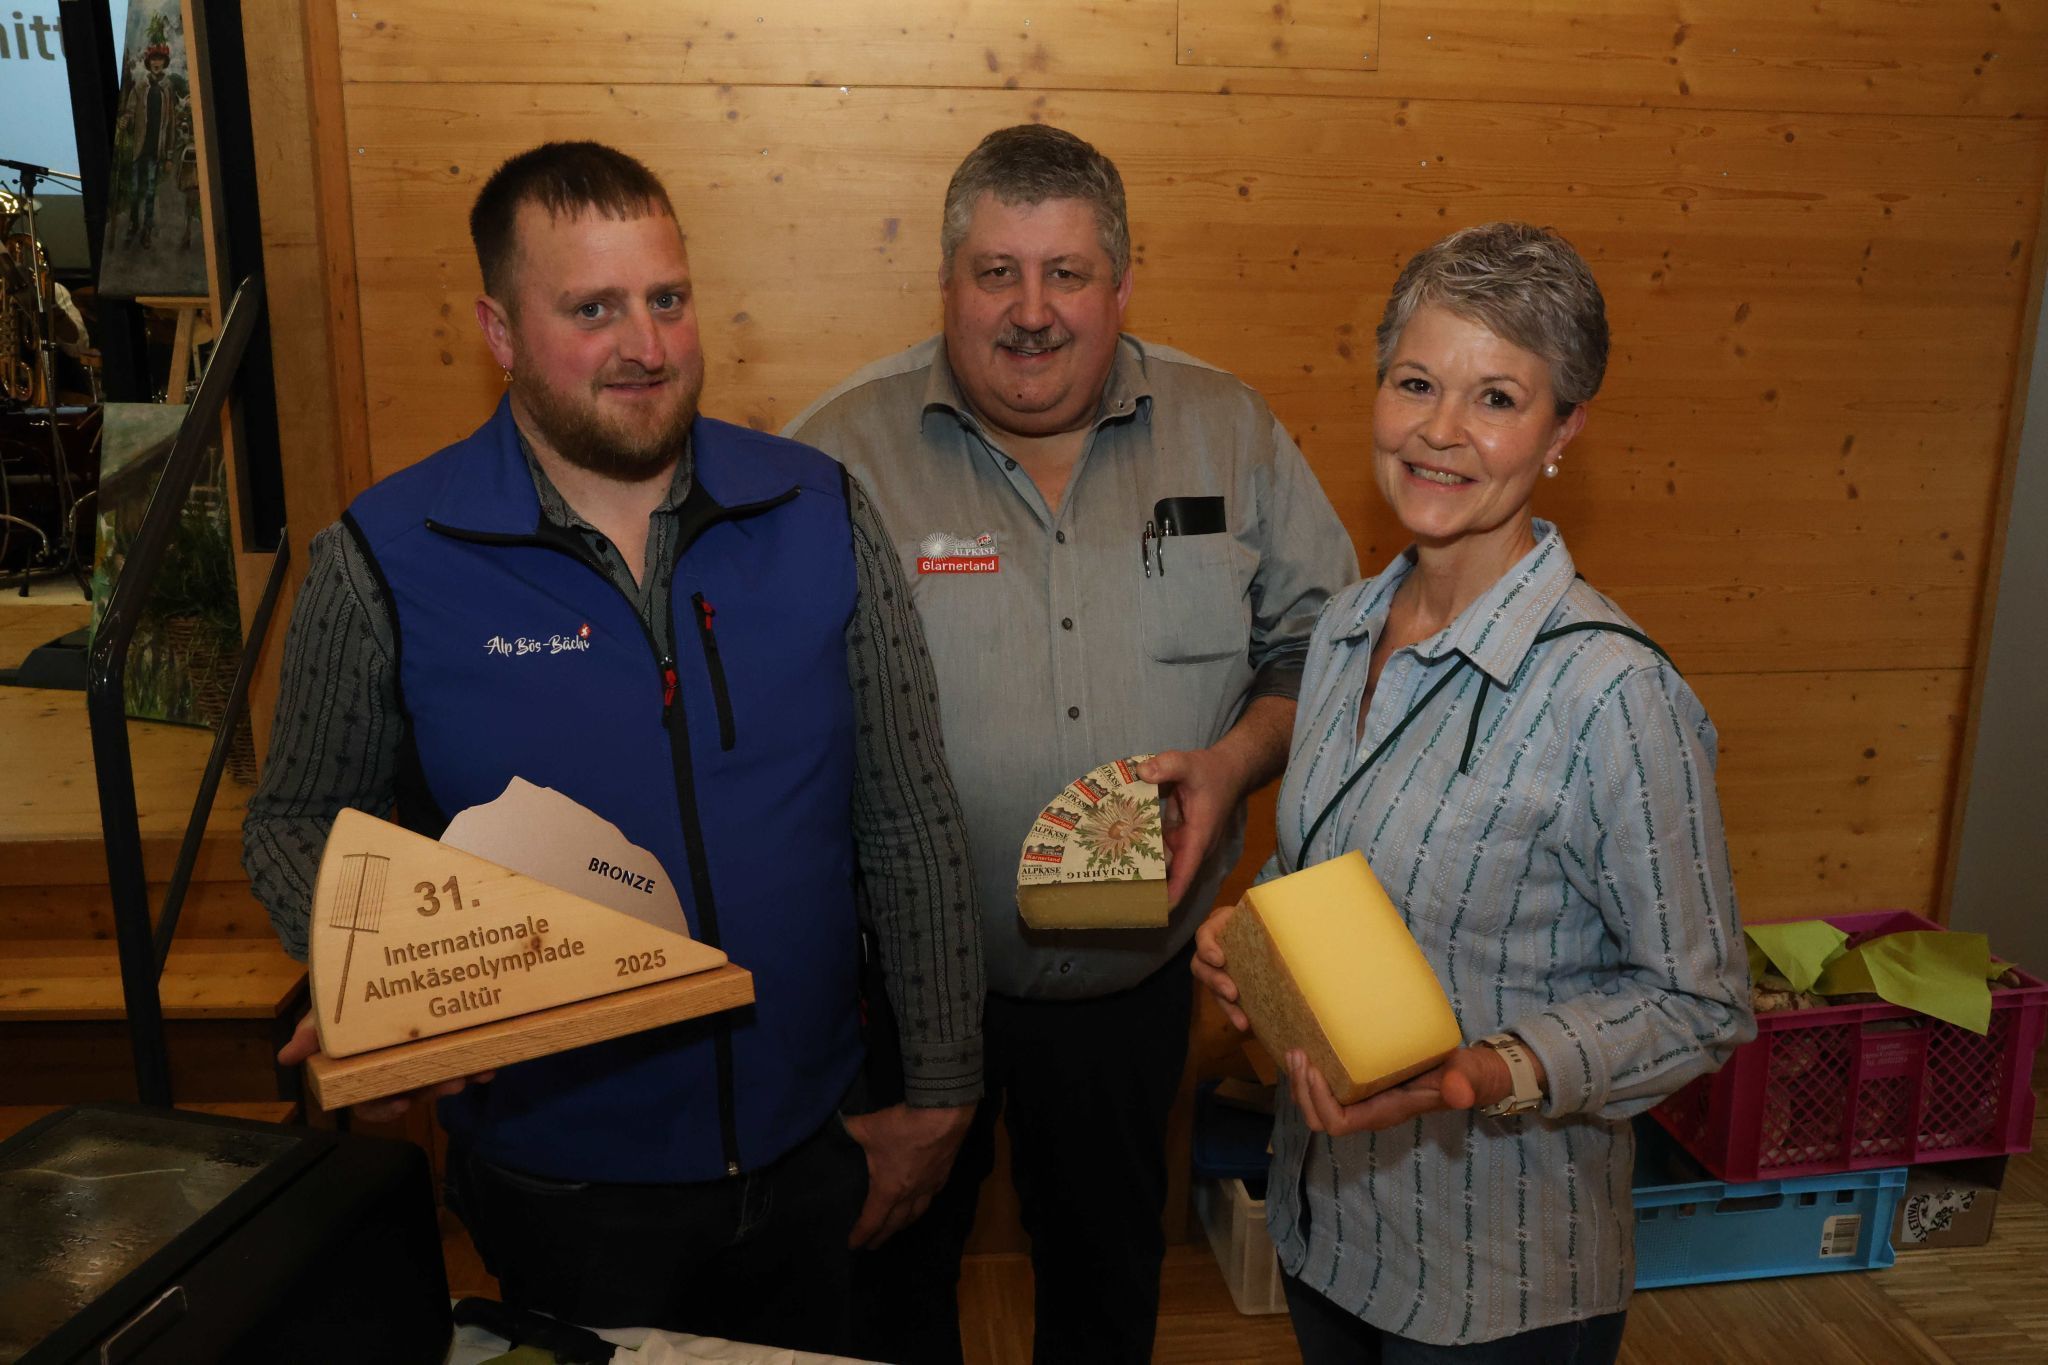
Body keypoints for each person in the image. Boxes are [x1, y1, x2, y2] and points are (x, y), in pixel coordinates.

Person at [243, 141, 984, 1355]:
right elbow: (293, 820)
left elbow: (905, 815)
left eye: (666, 298)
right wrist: (363, 972)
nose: (645, 343)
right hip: (558, 1189)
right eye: (592, 308)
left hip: (815, 1149)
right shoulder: (385, 556)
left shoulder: (818, 510)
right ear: (499, 329)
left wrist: (944, 1094)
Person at [785, 124, 1357, 1364]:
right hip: (897, 990)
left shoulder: (1229, 432)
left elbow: (1324, 654)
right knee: (887, 1290)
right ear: (946, 285)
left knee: (1106, 1283)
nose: (1030, 311)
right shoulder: (832, 456)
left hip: (1125, 988)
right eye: (996, 272)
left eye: (1065, 273)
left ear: (1121, 284)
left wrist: (1229, 763)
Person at [1192, 221, 1756, 1362]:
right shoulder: (1346, 627)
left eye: (1495, 398)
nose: (1439, 432)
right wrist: (1245, 930)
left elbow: (1701, 1005)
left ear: (1563, 432)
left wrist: (1484, 1071)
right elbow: (1323, 870)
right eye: (1414, 384)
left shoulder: (1612, 694)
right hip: (1322, 1235)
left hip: (1495, 1284)